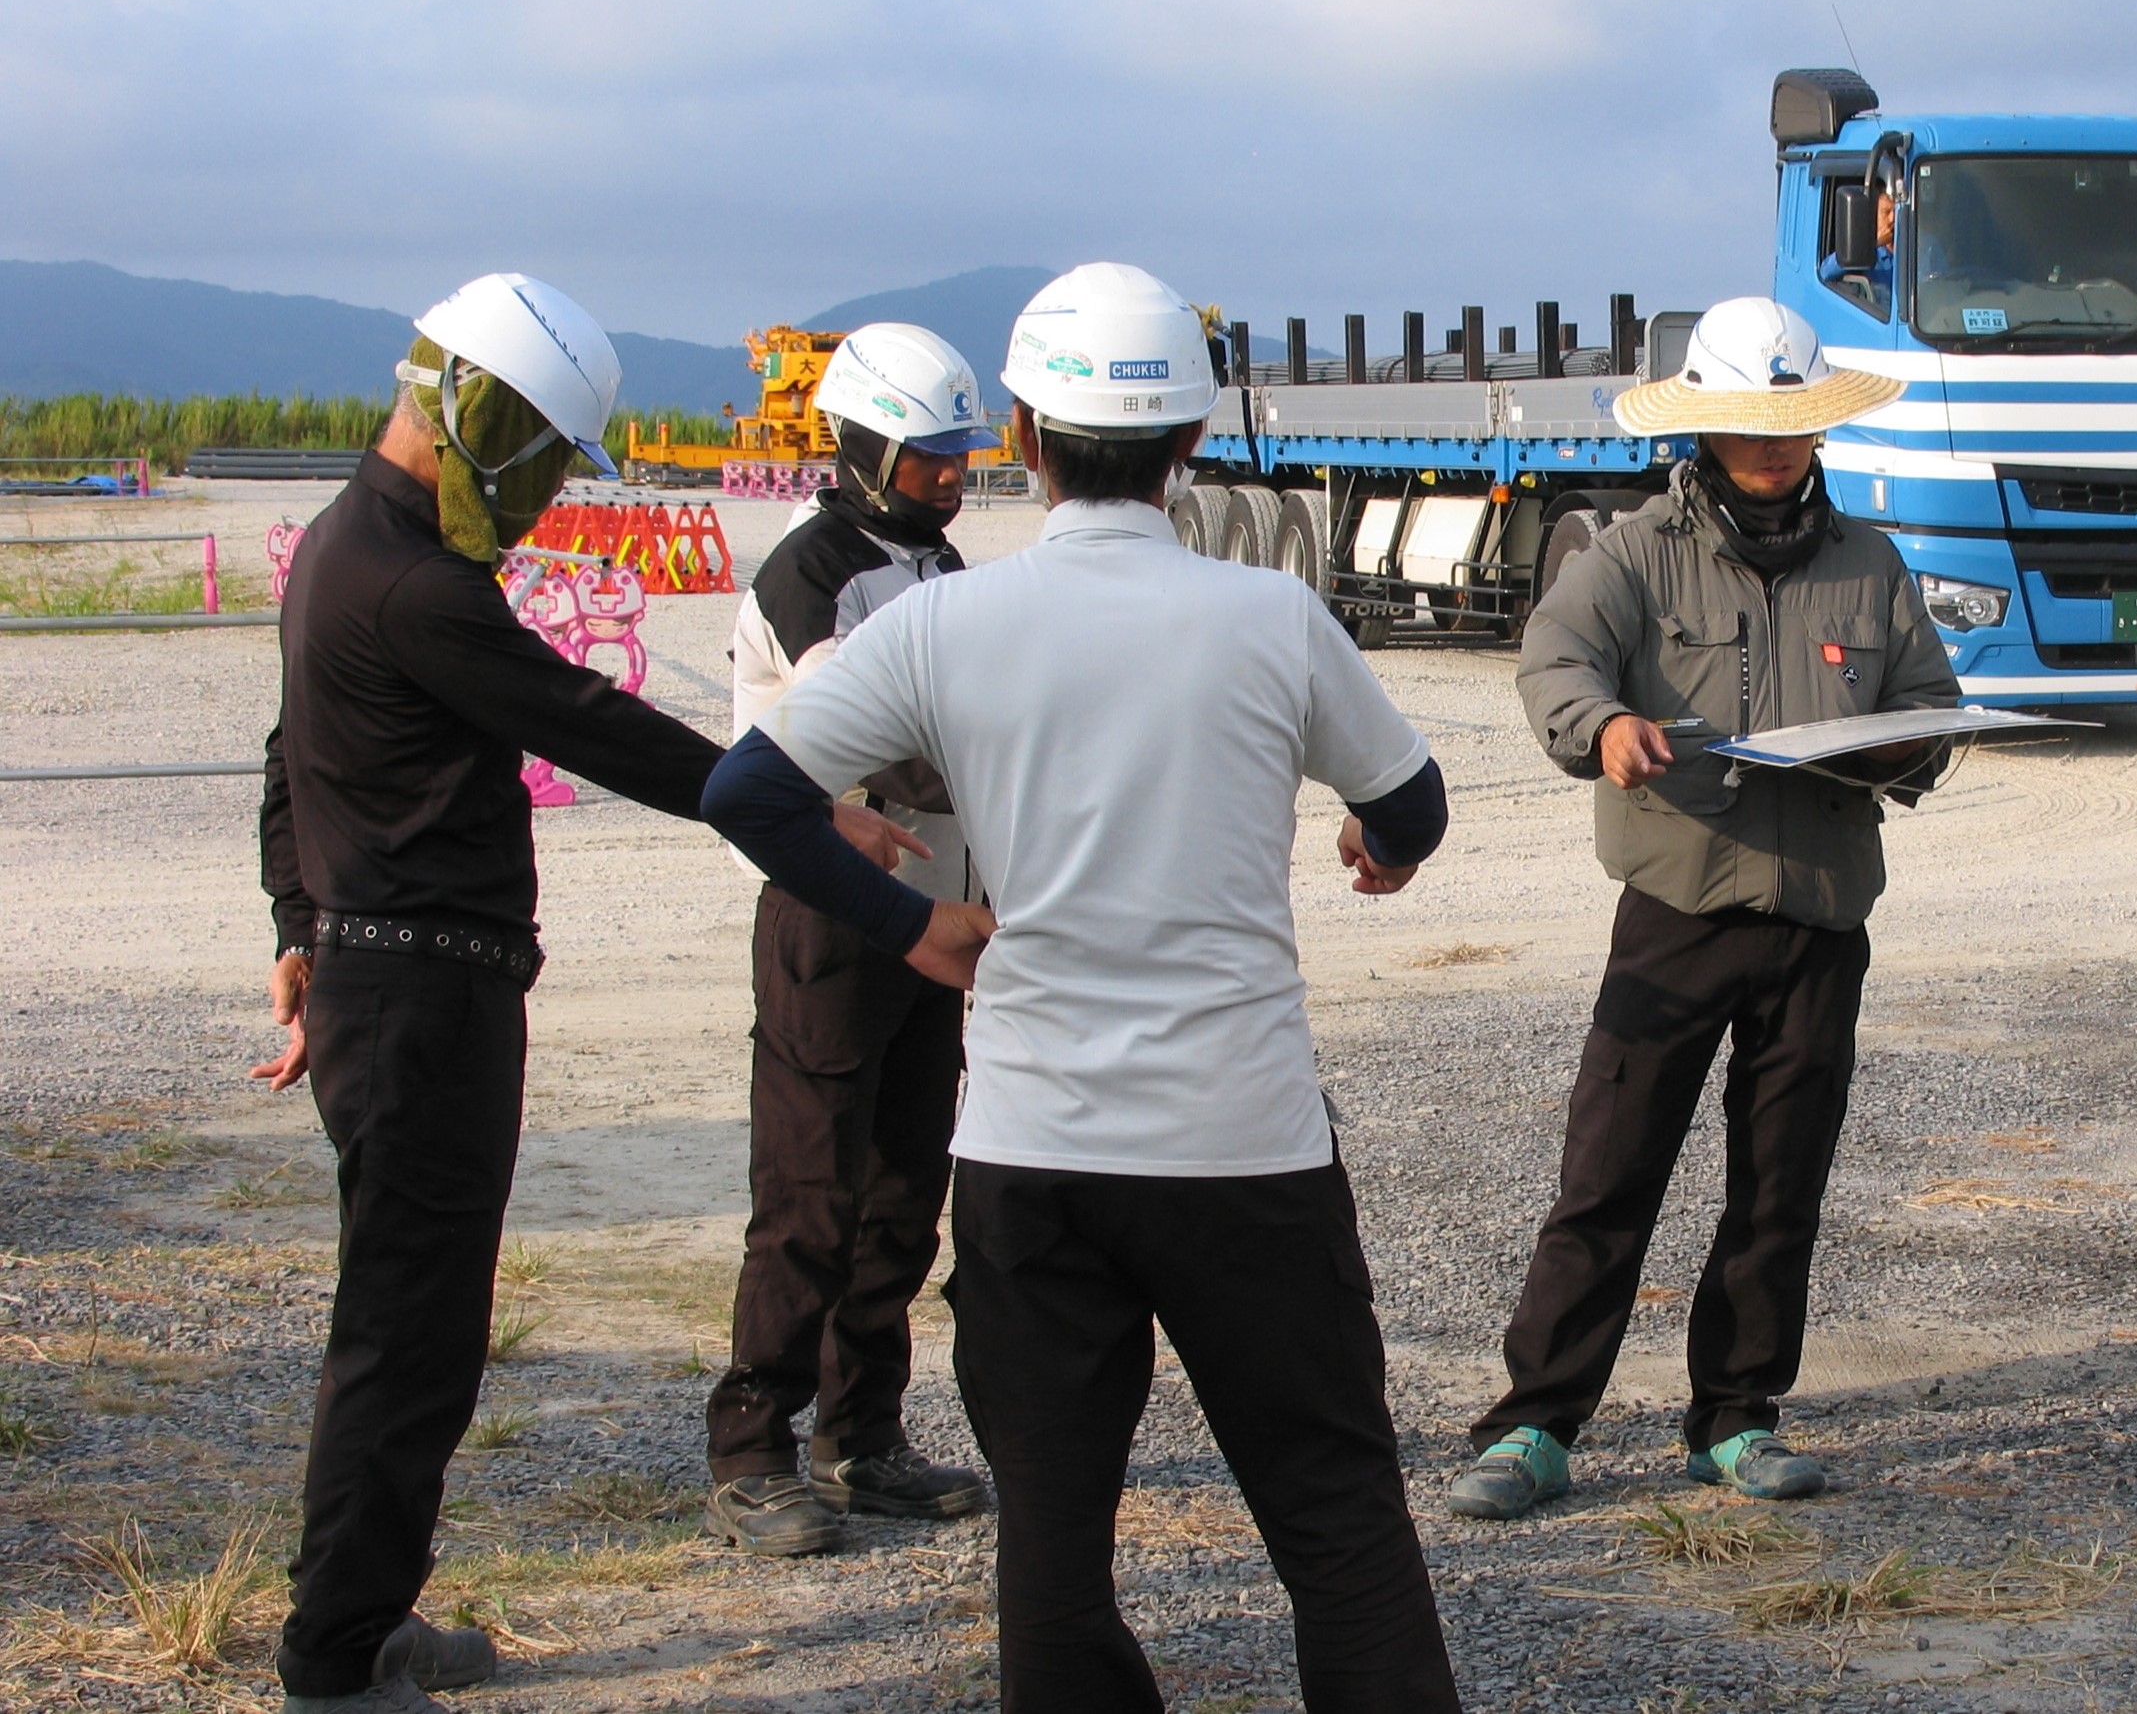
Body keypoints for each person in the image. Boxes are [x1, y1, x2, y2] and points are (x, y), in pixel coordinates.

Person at [702, 262, 1463, 1710]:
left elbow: (750, 791)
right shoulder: (1270, 616)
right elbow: (1412, 802)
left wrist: (912, 923)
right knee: (1337, 1523)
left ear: (1021, 436)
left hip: (1034, 1151)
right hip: (1243, 1146)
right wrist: (1380, 845)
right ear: (1190, 445)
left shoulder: (944, 623)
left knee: (1051, 1559)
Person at [248, 274, 932, 1714]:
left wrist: (297, 927)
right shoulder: (416, 583)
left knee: (411, 1330)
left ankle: (362, 1620)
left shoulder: (346, 546)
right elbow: (591, 723)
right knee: (407, 1341)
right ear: (483, 420)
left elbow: (282, 757)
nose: (550, 491)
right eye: (547, 456)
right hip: (421, 1004)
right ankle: (336, 1657)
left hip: (394, 985)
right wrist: (794, 799)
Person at [1448, 297, 1960, 1520]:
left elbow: (1929, 703)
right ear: (1703, 430)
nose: (1772, 447)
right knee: (1608, 1174)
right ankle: (1534, 1426)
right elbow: (1555, 661)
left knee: (1780, 1186)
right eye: (1747, 425)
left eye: (1792, 424)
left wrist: (1909, 747)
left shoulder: (1871, 564)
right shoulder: (1632, 553)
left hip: (1820, 919)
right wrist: (1604, 725)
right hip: (1675, 912)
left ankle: (1736, 1418)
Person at [701, 323, 997, 1555]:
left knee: (905, 1190)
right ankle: (751, 1448)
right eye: (928, 455)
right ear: (865, 447)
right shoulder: (809, 570)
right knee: (809, 1195)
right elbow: (879, 737)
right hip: (827, 916)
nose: (952, 474)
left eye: (960, 452)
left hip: (931, 921)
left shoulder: (941, 564)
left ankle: (862, 1433)